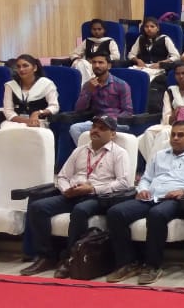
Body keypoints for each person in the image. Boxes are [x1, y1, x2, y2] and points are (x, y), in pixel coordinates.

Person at [20, 114, 133, 277]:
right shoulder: (79, 151)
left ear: (113, 134)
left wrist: (92, 189)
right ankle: (46, 257)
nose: (96, 130)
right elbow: (62, 176)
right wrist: (66, 190)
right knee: (38, 207)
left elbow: (123, 183)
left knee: (80, 210)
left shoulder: (119, 153)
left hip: (98, 197)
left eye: (102, 128)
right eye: (94, 127)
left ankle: (70, 258)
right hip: (72, 194)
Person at [105, 121, 184, 285]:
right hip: (151, 197)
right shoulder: (160, 155)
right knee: (116, 212)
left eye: (181, 135)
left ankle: (152, 266)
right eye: (173, 135)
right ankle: (128, 263)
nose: (175, 138)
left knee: (156, 214)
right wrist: (142, 189)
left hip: (176, 200)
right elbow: (146, 178)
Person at [139, 61, 184, 165]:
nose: (181, 76)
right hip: (171, 124)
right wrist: (175, 113)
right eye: (178, 74)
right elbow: (166, 117)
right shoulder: (170, 91)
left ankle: (153, 167)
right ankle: (154, 165)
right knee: (148, 133)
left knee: (163, 134)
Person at [68, 54, 132, 144]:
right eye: (94, 63)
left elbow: (128, 111)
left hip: (116, 122)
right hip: (97, 121)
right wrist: (89, 92)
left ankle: (96, 149)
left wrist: (112, 120)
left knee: (102, 131)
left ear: (109, 66)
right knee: (75, 129)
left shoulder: (121, 85)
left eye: (100, 62)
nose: (97, 65)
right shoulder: (88, 85)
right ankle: (90, 150)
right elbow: (79, 109)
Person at [1, 54, 58, 129]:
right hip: (15, 122)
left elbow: (54, 107)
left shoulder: (46, 84)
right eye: (18, 67)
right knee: (5, 131)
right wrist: (27, 121)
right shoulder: (10, 85)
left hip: (39, 121)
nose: (21, 69)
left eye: (25, 66)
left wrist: (39, 113)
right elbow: (8, 112)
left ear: (35, 68)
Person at [69, 18, 120, 84]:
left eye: (99, 29)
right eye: (94, 29)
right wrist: (78, 58)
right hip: (88, 66)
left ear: (104, 30)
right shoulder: (87, 41)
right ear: (91, 30)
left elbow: (116, 56)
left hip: (101, 66)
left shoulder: (110, 42)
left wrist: (99, 60)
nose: (96, 31)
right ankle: (87, 85)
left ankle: (87, 85)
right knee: (80, 63)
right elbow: (74, 54)